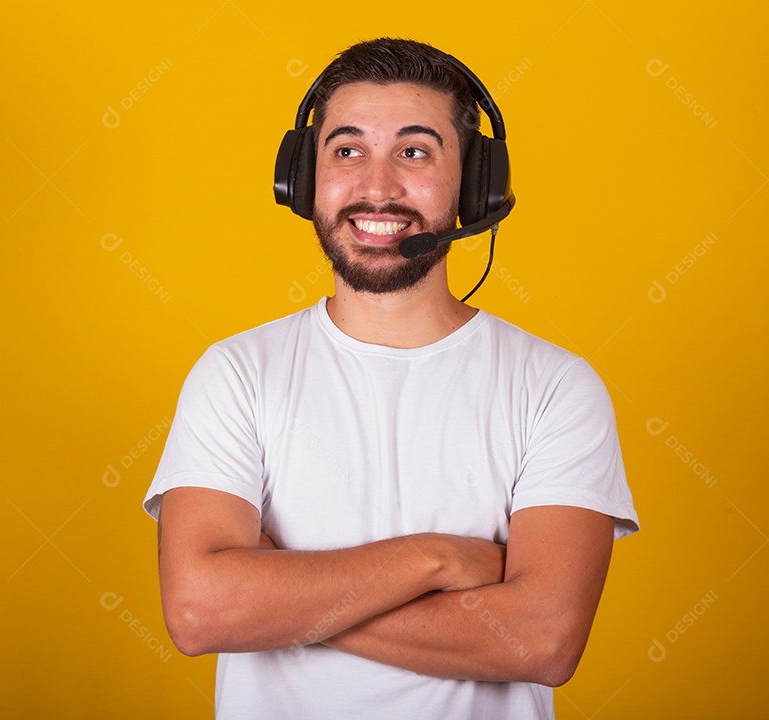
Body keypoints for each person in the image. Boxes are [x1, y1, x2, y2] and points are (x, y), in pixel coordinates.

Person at [143, 37, 638, 719]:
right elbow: (201, 612)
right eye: (347, 151)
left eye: (414, 152)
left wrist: (273, 600)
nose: (376, 187)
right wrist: (434, 562)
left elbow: (541, 641)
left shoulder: (556, 387)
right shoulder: (235, 375)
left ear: (474, 187)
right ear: (302, 179)